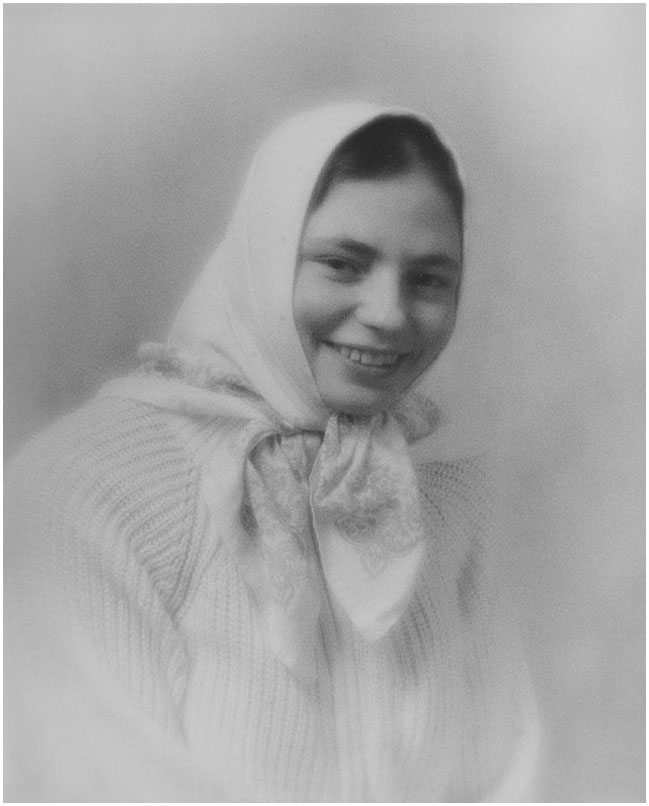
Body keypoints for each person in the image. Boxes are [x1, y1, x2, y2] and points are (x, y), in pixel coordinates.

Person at [5, 102, 539, 802]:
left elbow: (511, 772)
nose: (389, 314)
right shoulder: (85, 491)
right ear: (264, 252)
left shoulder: (448, 493)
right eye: (342, 264)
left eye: (429, 279)